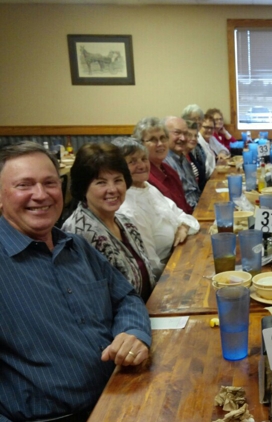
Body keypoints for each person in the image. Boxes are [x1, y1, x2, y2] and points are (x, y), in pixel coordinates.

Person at [0, 141, 151, 422]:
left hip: (121, 394)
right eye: (24, 185)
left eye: (50, 183)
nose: (41, 195)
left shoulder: (76, 246)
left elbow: (127, 298)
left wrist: (133, 333)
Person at [63, 143, 155, 301]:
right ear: (83, 187)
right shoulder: (77, 233)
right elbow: (91, 300)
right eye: (101, 182)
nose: (112, 189)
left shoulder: (125, 222)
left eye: (118, 180)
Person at [112, 137, 200, 279]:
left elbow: (187, 218)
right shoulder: (127, 208)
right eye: (132, 161)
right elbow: (151, 267)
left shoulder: (148, 187)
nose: (141, 165)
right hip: (168, 276)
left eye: (143, 159)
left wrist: (183, 227)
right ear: (118, 167)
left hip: (180, 256)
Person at [132, 116, 193, 214]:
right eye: (153, 139)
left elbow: (186, 207)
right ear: (140, 145)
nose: (160, 144)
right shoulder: (144, 177)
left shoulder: (169, 170)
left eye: (163, 138)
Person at [163, 116, 202, 210]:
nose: (183, 138)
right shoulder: (164, 162)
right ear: (164, 135)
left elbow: (194, 191)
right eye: (177, 133)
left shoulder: (183, 158)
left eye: (185, 133)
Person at [182, 104, 216, 178]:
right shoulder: (183, 149)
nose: (197, 122)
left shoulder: (197, 146)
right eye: (194, 119)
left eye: (199, 119)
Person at [185, 120, 208, 191]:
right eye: (189, 135)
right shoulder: (179, 158)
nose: (193, 139)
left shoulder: (190, 155)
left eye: (195, 136)